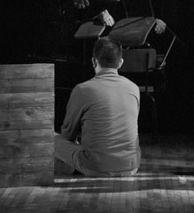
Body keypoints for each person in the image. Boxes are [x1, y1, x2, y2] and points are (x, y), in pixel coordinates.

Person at [54, 36, 141, 176]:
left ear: (94, 61)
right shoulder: (134, 88)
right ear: (120, 63)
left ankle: (70, 166)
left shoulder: (83, 89)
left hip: (95, 167)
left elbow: (68, 134)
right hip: (131, 166)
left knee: (49, 138)